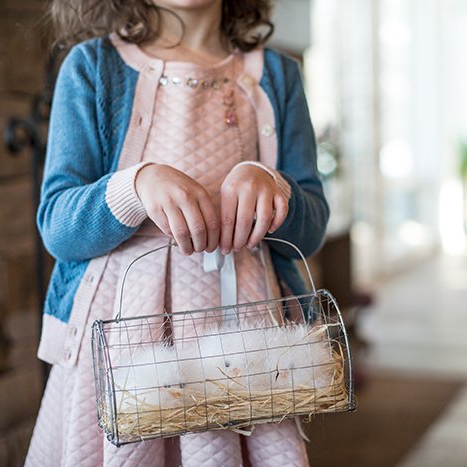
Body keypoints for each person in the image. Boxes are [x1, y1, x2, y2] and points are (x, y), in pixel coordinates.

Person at [24, 0, 328, 465]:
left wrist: (276, 187)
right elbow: (58, 227)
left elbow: (311, 228)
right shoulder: (92, 67)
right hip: (122, 349)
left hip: (246, 345)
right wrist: (135, 186)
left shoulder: (277, 76)